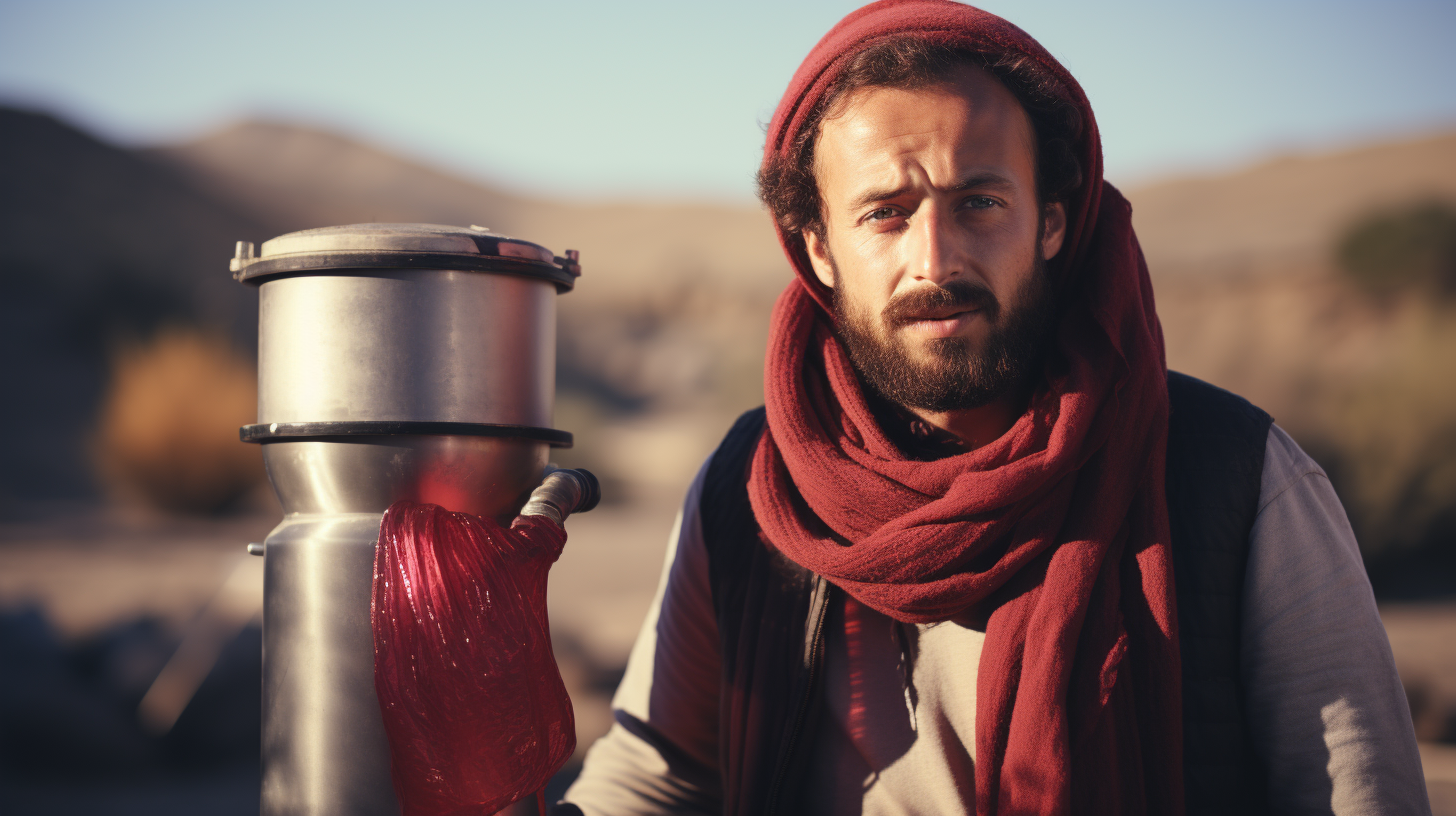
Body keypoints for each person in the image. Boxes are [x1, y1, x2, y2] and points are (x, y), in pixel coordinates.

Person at [557, 2, 1432, 814]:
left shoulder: (1234, 476)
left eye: (978, 202)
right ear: (818, 248)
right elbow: (657, 772)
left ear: (1051, 223)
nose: (934, 260)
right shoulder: (754, 490)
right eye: (885, 214)